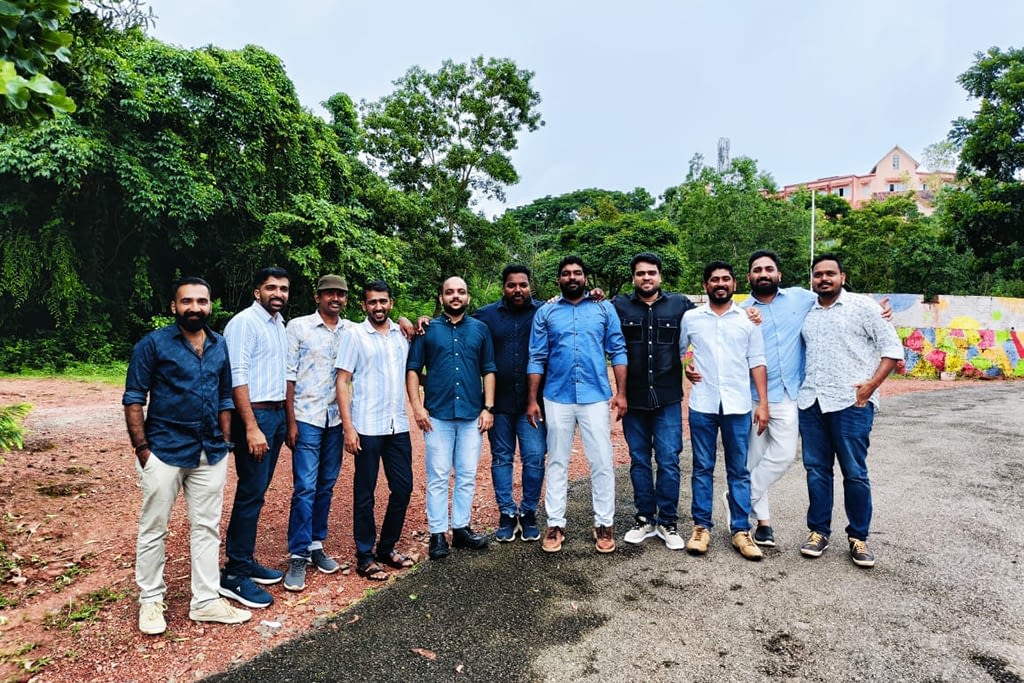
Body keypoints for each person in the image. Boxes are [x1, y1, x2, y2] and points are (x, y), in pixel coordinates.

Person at [123, 276, 252, 634]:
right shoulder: (153, 344)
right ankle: (151, 600)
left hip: (210, 452)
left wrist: (225, 440)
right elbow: (134, 398)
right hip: (163, 451)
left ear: (210, 305)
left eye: (201, 301)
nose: (195, 308)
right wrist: (143, 450)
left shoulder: (219, 344)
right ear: (174, 306)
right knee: (154, 528)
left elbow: (225, 396)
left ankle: (206, 601)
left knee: (207, 527)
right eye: (187, 301)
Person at [797, 254, 903, 568]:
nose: (824, 279)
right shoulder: (808, 311)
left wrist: (871, 385)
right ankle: (818, 531)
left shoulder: (863, 306)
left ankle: (858, 537)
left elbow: (892, 349)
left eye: (830, 273)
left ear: (842, 276)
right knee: (817, 471)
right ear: (812, 279)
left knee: (854, 472)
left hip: (852, 402)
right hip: (812, 402)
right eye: (818, 274)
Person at [526, 255, 627, 554]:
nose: (572, 277)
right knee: (557, 461)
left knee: (602, 461)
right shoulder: (546, 312)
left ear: (585, 277)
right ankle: (555, 524)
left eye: (577, 273)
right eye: (567, 273)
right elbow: (537, 356)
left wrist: (621, 392)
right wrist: (532, 399)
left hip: (595, 395)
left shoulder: (603, 308)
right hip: (556, 396)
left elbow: (617, 349)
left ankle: (604, 523)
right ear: (559, 279)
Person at [678, 261, 768, 561]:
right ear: (706, 285)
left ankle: (741, 530)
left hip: (738, 405)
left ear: (734, 284)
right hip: (703, 403)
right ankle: (701, 528)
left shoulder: (748, 319)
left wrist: (763, 403)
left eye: (726, 279)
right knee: (702, 467)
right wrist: (687, 368)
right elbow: (680, 350)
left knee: (739, 470)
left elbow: (757, 361)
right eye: (714, 279)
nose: (720, 283)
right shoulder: (691, 318)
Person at [406, 276, 497, 560]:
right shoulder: (427, 330)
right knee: (438, 476)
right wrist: (417, 407)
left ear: (468, 297)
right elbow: (413, 369)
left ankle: (460, 529)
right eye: (449, 292)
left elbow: (489, 369)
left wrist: (488, 407)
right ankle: (437, 535)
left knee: (467, 474)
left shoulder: (480, 330)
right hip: (437, 416)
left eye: (461, 292)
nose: (455, 296)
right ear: (441, 297)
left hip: (471, 415)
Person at [612, 253, 695, 551]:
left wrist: (749, 313)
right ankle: (645, 518)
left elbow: (710, 322)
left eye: (651, 272)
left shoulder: (681, 305)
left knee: (669, 460)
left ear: (660, 275)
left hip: (667, 396)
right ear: (633, 277)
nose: (646, 278)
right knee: (639, 460)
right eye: (640, 273)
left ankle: (668, 522)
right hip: (633, 399)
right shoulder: (618, 306)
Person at [220, 267, 290, 608]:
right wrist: (250, 426)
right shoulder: (244, 323)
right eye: (271, 287)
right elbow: (237, 377)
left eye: (283, 288)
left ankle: (244, 561)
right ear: (256, 291)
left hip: (275, 414)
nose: (278, 293)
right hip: (255, 415)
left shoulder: (279, 325)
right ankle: (234, 574)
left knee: (257, 492)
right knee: (250, 493)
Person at [336, 281, 416, 580]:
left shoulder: (402, 334)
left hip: (397, 425)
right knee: (365, 492)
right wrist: (348, 427)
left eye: (383, 301)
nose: (378, 307)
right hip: (367, 426)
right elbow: (342, 381)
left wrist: (415, 320)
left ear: (391, 303)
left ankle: (386, 548)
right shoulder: (354, 335)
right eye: (372, 302)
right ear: (364, 305)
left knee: (403, 487)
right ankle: (365, 555)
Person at [281, 274, 349, 592]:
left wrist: (407, 321)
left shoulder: (351, 331)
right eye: (329, 293)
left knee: (326, 485)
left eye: (340, 294)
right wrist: (290, 421)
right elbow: (288, 376)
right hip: (306, 416)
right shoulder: (299, 327)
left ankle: (315, 543)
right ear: (318, 296)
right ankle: (298, 553)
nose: (335, 298)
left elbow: (384, 329)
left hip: (335, 419)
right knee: (305, 487)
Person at [473, 264, 547, 542]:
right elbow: (456, 325)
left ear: (530, 286)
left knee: (534, 457)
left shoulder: (545, 312)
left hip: (533, 403)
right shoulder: (486, 315)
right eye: (511, 285)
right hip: (499, 403)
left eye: (523, 285)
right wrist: (419, 320)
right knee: (502, 458)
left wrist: (594, 295)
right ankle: (506, 513)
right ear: (503, 287)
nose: (518, 290)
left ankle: (528, 512)